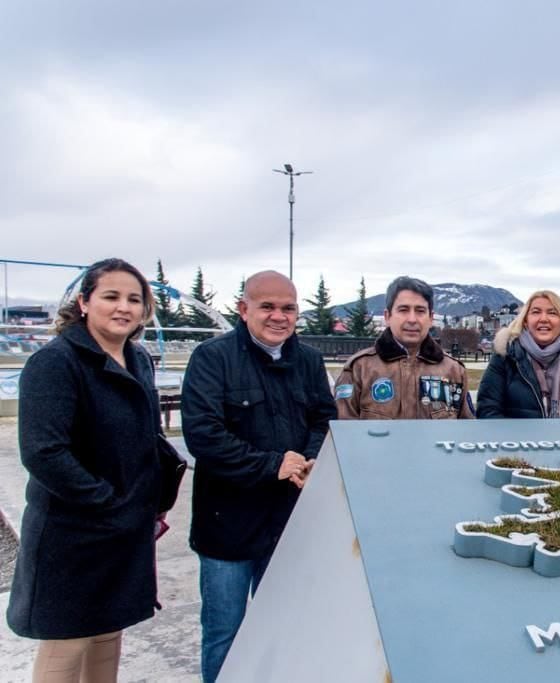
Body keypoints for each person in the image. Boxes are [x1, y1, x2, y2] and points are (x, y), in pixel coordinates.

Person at [7, 258, 162, 682]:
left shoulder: (138, 359)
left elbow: (146, 437)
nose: (123, 307)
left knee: (107, 636)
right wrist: (106, 503)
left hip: (125, 528)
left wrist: (156, 494)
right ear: (84, 302)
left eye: (134, 299)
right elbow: (43, 452)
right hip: (73, 533)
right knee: (66, 643)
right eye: (110, 296)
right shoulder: (56, 363)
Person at [181, 270, 335, 681]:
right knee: (225, 633)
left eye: (288, 308)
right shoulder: (213, 358)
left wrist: (313, 457)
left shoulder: (309, 361)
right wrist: (271, 465)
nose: (278, 316)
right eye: (267, 306)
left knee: (281, 627)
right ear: (243, 308)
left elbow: (324, 419)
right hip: (227, 526)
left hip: (287, 524)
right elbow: (203, 435)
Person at [335, 276, 474, 419]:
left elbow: (467, 432)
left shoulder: (453, 371)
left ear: (431, 318)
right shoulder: (359, 369)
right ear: (388, 316)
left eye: (420, 311)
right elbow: (343, 433)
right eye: (403, 310)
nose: (412, 319)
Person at [476, 290, 560, 418]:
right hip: (520, 440)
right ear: (525, 322)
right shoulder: (505, 357)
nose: (543, 319)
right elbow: (488, 410)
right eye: (536, 312)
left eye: (552, 313)